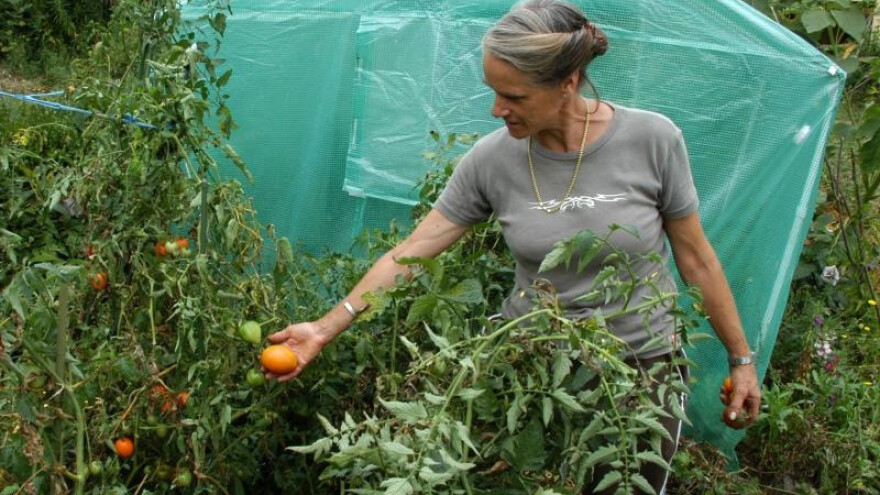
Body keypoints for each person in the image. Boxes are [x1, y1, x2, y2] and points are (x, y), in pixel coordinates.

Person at [266, 0, 761, 492]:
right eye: (494, 92)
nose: (496, 109)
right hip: (527, 367)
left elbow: (695, 258)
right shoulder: (491, 160)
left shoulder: (652, 139)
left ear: (567, 83)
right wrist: (324, 329)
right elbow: (411, 253)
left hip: (640, 369)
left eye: (514, 96)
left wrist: (741, 360)